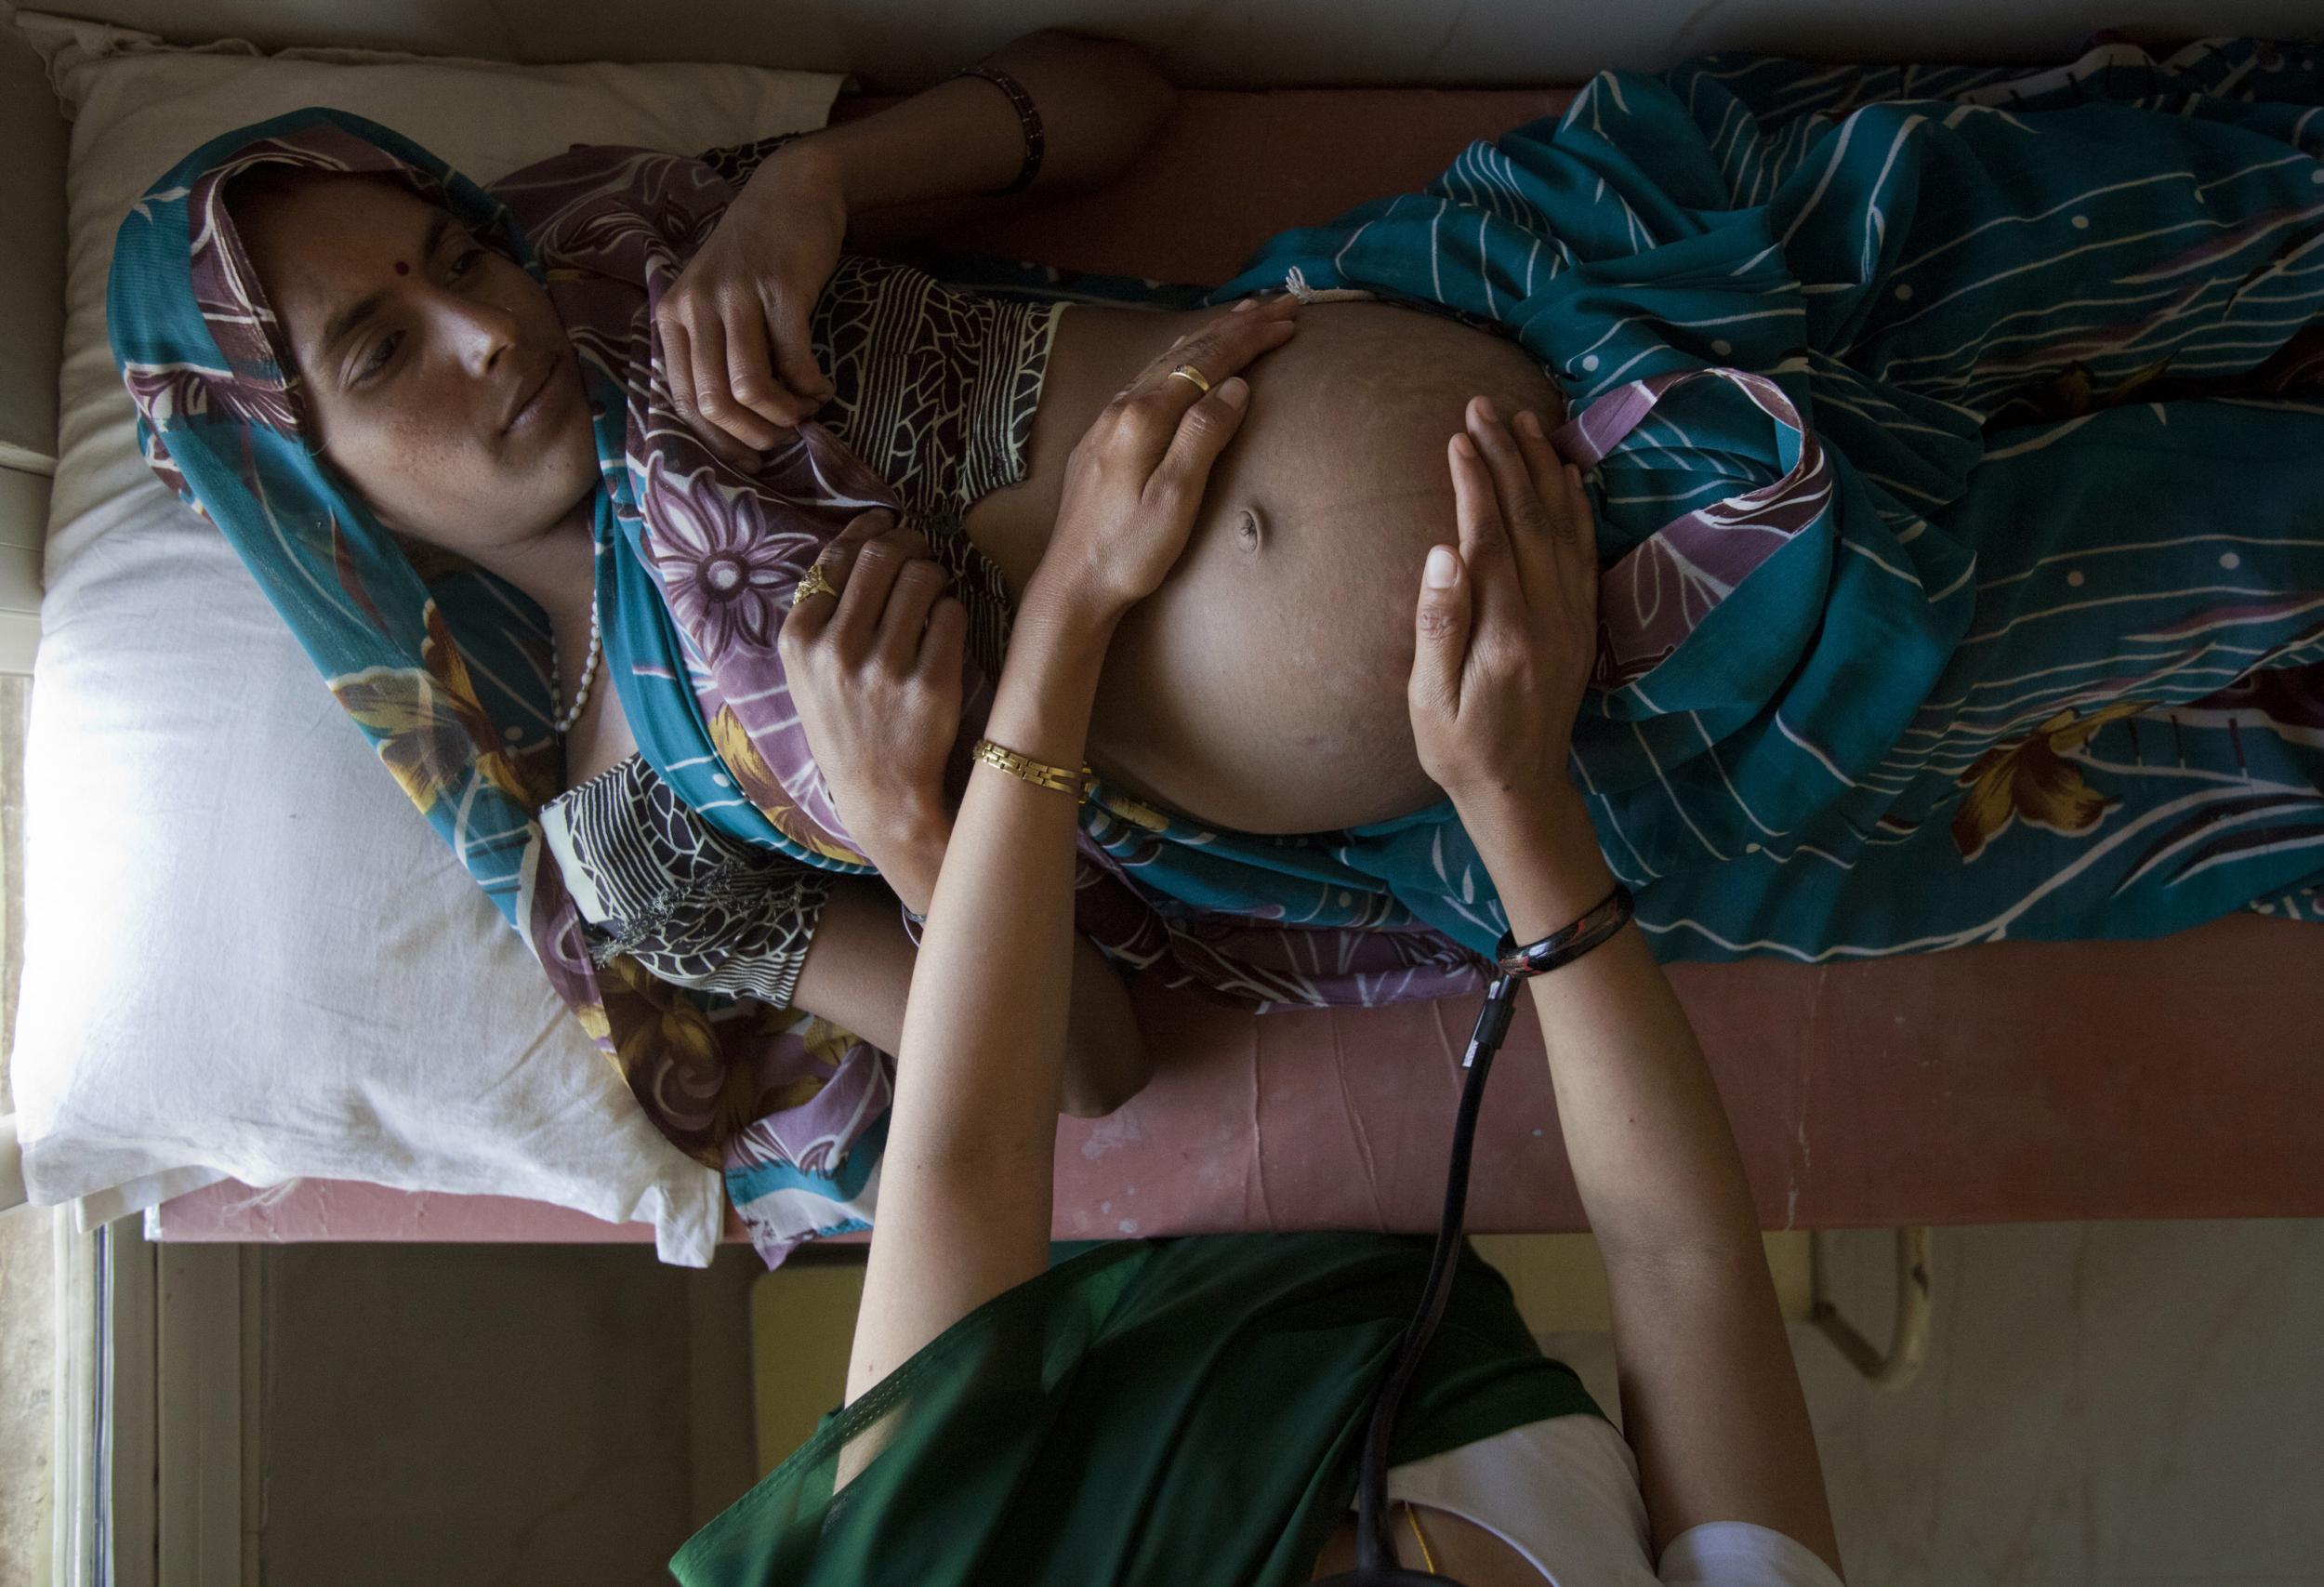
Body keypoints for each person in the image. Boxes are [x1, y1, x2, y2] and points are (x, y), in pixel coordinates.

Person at [109, 33, 2324, 1256]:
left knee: (2218, 217)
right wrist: (912, 824)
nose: (487, 330)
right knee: (2243, 541)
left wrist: (814, 179)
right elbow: (1078, 1068)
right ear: (304, 482)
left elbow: (1111, 100)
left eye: (452, 252)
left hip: (1597, 298)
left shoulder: (664, 263)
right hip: (1617, 701)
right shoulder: (634, 842)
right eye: (381, 350)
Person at [669, 351, 1845, 1586]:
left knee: (669, 800)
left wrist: (1072, 605)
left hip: (1085, 1233)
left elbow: (968, 1156)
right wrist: (1521, 808)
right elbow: (1681, 1256)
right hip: (1334, 1213)